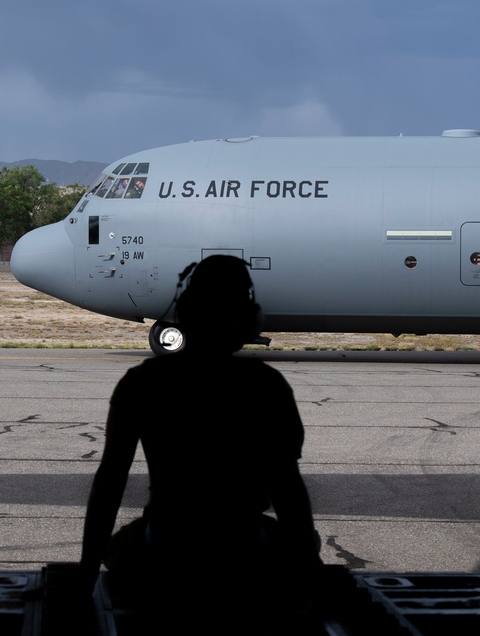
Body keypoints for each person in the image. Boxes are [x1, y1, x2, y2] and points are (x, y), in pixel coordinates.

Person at [79, 255, 322, 622]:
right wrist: (309, 568)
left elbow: (110, 480)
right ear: (247, 318)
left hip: (166, 543)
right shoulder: (266, 385)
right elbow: (287, 487)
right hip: (244, 544)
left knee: (120, 550)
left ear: (186, 312)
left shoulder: (141, 382)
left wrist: (85, 572)